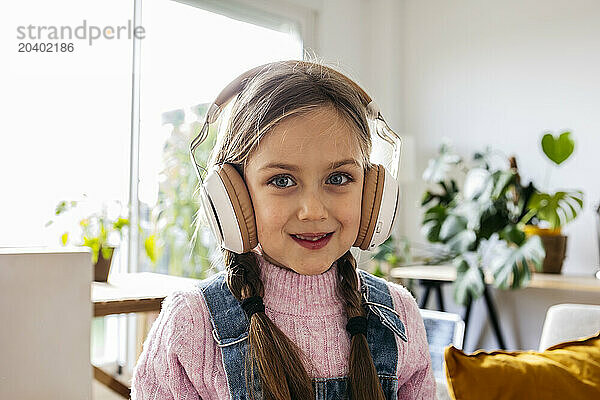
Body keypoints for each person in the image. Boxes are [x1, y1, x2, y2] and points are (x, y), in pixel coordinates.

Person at [131, 60, 435, 399]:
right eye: (282, 180)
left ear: (372, 192)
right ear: (235, 197)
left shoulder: (399, 315)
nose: (313, 211)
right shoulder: (192, 324)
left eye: (338, 178)